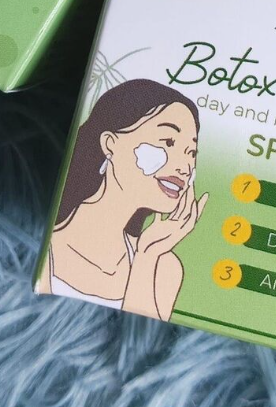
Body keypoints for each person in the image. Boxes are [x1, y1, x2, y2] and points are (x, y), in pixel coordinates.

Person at [39, 78, 208, 320]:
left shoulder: (164, 267)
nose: (185, 167)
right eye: (168, 142)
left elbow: (139, 335)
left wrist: (147, 256)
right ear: (110, 144)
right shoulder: (49, 246)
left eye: (191, 152)